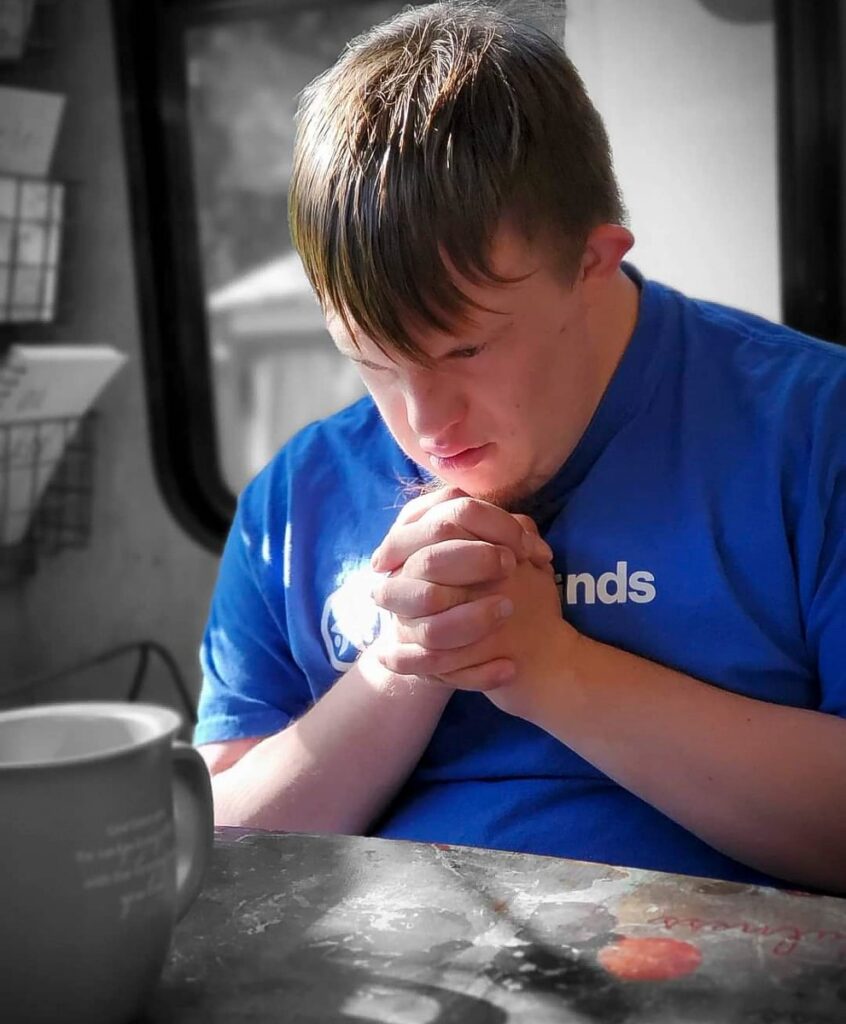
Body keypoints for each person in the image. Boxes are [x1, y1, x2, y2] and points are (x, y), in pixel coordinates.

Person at [193, 0, 846, 894]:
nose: (425, 424)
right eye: (373, 361)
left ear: (594, 261)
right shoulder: (291, 501)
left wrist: (549, 668)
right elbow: (213, 850)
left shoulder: (815, 429)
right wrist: (405, 661)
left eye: (465, 347)